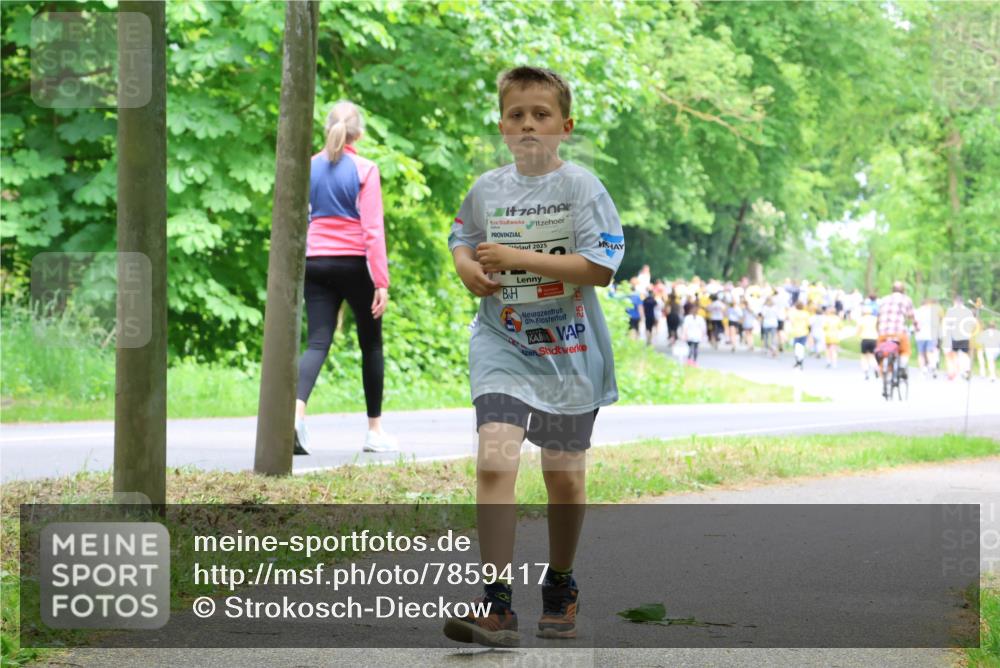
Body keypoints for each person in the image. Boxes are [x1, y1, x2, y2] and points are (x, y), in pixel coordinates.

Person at [443, 66, 624, 647]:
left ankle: (561, 583)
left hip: (569, 353)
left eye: (541, 115)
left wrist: (518, 257)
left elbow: (599, 267)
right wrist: (467, 268)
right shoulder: (487, 189)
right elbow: (462, 238)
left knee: (563, 477)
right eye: (516, 115)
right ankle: (496, 604)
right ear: (502, 125)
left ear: (564, 127)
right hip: (503, 344)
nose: (528, 125)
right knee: (495, 462)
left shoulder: (583, 189)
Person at [294, 101, 396, 455]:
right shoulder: (365, 169)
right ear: (360, 134)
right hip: (354, 264)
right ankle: (374, 431)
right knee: (371, 345)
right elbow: (372, 230)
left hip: (314, 262)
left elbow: (300, 217)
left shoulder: (308, 167)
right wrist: (381, 281)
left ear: (328, 130)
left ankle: (295, 415)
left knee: (317, 342)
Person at [876, 281, 916, 379]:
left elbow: (878, 317)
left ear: (892, 290)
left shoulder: (884, 299)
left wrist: (878, 330)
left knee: (881, 350)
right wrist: (916, 326)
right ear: (903, 290)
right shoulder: (906, 300)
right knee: (905, 350)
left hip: (883, 333)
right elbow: (912, 316)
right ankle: (902, 367)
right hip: (899, 333)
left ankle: (881, 368)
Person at [914, 297, 941, 378]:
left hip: (920, 335)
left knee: (921, 354)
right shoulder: (932, 312)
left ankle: (923, 370)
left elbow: (915, 323)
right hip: (931, 335)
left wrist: (916, 329)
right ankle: (932, 366)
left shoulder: (917, 311)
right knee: (930, 352)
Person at [856, 304, 879, 380]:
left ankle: (866, 371)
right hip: (874, 339)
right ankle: (875, 367)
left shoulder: (861, 319)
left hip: (864, 339)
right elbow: (878, 328)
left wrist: (858, 336)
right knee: (872, 355)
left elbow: (858, 330)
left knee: (864, 356)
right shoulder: (875, 319)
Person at [682, 301, 707, 366]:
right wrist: (703, 335)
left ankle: (689, 360)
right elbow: (703, 328)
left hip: (690, 335)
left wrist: (684, 335)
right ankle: (694, 361)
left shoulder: (688, 318)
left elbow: (685, 327)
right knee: (695, 348)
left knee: (690, 348)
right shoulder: (700, 318)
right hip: (697, 335)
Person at [788, 300, 811, 370]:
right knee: (802, 347)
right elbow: (808, 324)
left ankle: (798, 360)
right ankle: (801, 359)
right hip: (804, 332)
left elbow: (791, 322)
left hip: (796, 332)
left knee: (796, 347)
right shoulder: (806, 314)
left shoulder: (794, 314)